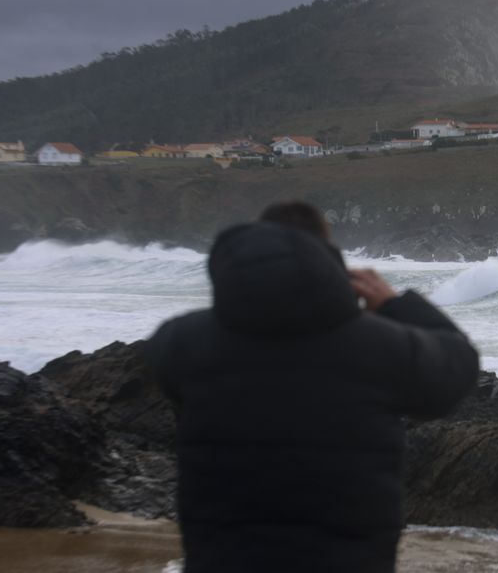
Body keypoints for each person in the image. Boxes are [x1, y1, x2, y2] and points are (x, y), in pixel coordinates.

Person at [144, 203, 479, 572]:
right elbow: (456, 370)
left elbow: (172, 382)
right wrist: (395, 306)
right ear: (325, 254)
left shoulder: (181, 342)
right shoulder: (380, 348)